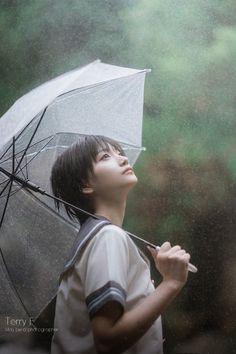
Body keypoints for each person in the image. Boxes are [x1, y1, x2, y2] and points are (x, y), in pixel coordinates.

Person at [50, 135, 191, 354]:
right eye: (105, 156)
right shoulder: (107, 236)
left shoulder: (96, 237)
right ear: (85, 185)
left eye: (119, 152)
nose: (122, 159)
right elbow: (108, 341)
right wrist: (171, 283)